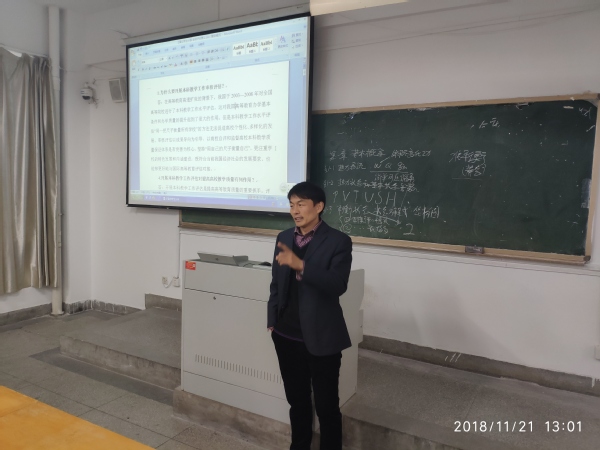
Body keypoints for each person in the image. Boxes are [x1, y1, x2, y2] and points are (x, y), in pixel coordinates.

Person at [267, 181, 353, 450]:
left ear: (319, 207)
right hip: (286, 335)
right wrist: (272, 321)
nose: (295, 210)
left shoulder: (338, 241)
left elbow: (337, 284)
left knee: (327, 407)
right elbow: (276, 283)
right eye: (292, 205)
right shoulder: (284, 237)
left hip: (322, 337)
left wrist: (301, 265)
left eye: (301, 204)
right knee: (297, 401)